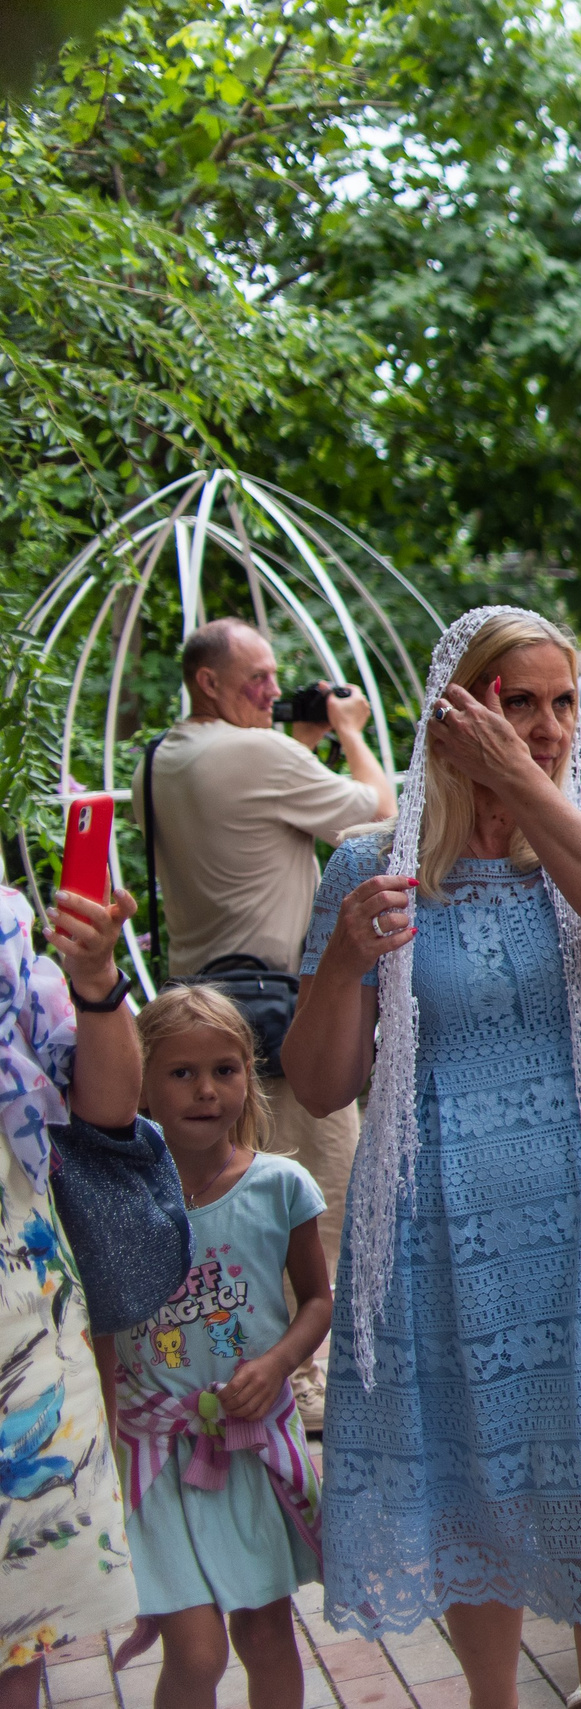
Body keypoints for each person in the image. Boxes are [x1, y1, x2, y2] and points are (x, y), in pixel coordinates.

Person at [283, 606, 581, 1709]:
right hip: (441, 1214)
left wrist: (530, 782)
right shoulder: (376, 862)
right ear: (456, 709)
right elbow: (319, 1082)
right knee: (478, 1479)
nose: (549, 725)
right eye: (521, 702)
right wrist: (340, 963)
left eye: (564, 703)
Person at [148, 618, 393, 1429]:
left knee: (238, 1199)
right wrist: (350, 736)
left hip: (203, 1010)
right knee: (328, 1192)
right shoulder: (259, 755)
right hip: (277, 1014)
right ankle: (316, 1378)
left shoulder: (167, 756)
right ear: (207, 682)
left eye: (273, 676)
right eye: (253, 677)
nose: (269, 689)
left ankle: (252, 1358)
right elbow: (376, 815)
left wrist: (293, 737)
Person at [111, 986, 330, 1709]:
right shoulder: (119, 1204)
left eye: (226, 1069)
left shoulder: (281, 1186)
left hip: (250, 1449)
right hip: (157, 1459)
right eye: (181, 1073)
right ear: (141, 1080)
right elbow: (100, 1329)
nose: (207, 1090)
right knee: (197, 1652)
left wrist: (276, 1365)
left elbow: (318, 1300)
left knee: (266, 1636)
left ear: (248, 1074)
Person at [0, 883, 142, 1709]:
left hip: (23, 1320)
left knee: (20, 1626)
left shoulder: (9, 924)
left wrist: (95, 977)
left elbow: (110, 1107)